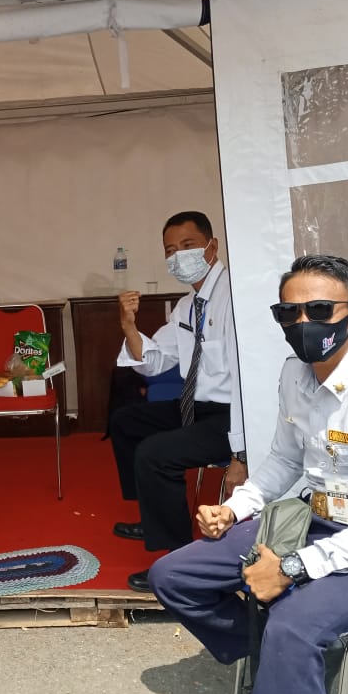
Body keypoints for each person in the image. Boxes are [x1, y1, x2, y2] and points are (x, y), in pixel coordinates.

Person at [149, 255, 348, 694]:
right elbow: (283, 460)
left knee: (293, 625)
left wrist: (291, 569)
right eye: (288, 313)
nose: (303, 323)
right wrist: (235, 508)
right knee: (172, 576)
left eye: (319, 310)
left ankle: (287, 664)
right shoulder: (294, 374)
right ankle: (280, 660)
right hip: (311, 519)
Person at [110, 211, 247, 592]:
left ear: (211, 247)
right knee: (125, 421)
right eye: (170, 250)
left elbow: (246, 380)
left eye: (188, 246)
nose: (178, 256)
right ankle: (153, 513)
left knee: (155, 453)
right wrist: (128, 326)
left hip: (232, 418)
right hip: (195, 409)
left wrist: (240, 455)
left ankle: (179, 560)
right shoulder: (188, 305)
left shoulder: (235, 297)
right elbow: (154, 362)